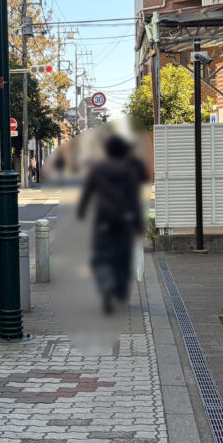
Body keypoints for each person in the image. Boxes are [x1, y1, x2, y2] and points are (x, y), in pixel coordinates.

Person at [78, 134, 144, 314]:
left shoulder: (98, 169)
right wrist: (139, 222)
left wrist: (82, 212)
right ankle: (120, 295)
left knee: (102, 256)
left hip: (103, 219)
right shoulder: (128, 170)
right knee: (123, 258)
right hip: (124, 219)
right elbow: (134, 199)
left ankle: (106, 286)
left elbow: (87, 192)